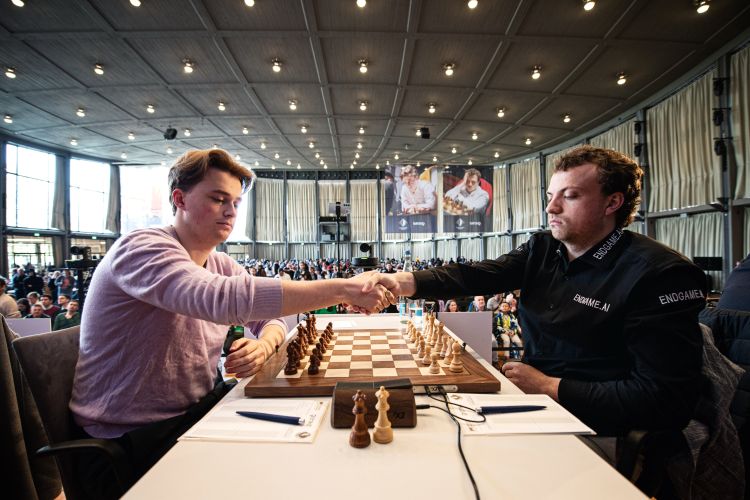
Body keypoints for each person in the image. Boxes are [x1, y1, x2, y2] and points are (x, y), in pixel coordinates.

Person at [70, 149, 392, 498]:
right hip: (127, 441)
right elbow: (223, 300)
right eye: (218, 199)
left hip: (194, 414)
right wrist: (344, 288)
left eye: (236, 203)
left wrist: (264, 344)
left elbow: (273, 318)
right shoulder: (141, 248)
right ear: (180, 199)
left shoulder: (220, 263)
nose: (231, 212)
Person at [364, 145, 706, 438]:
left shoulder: (660, 274)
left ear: (612, 202)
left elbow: (666, 401)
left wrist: (548, 386)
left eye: (570, 196)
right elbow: (480, 275)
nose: (551, 208)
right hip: (535, 402)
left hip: (602, 429)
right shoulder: (544, 247)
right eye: (550, 196)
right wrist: (404, 282)